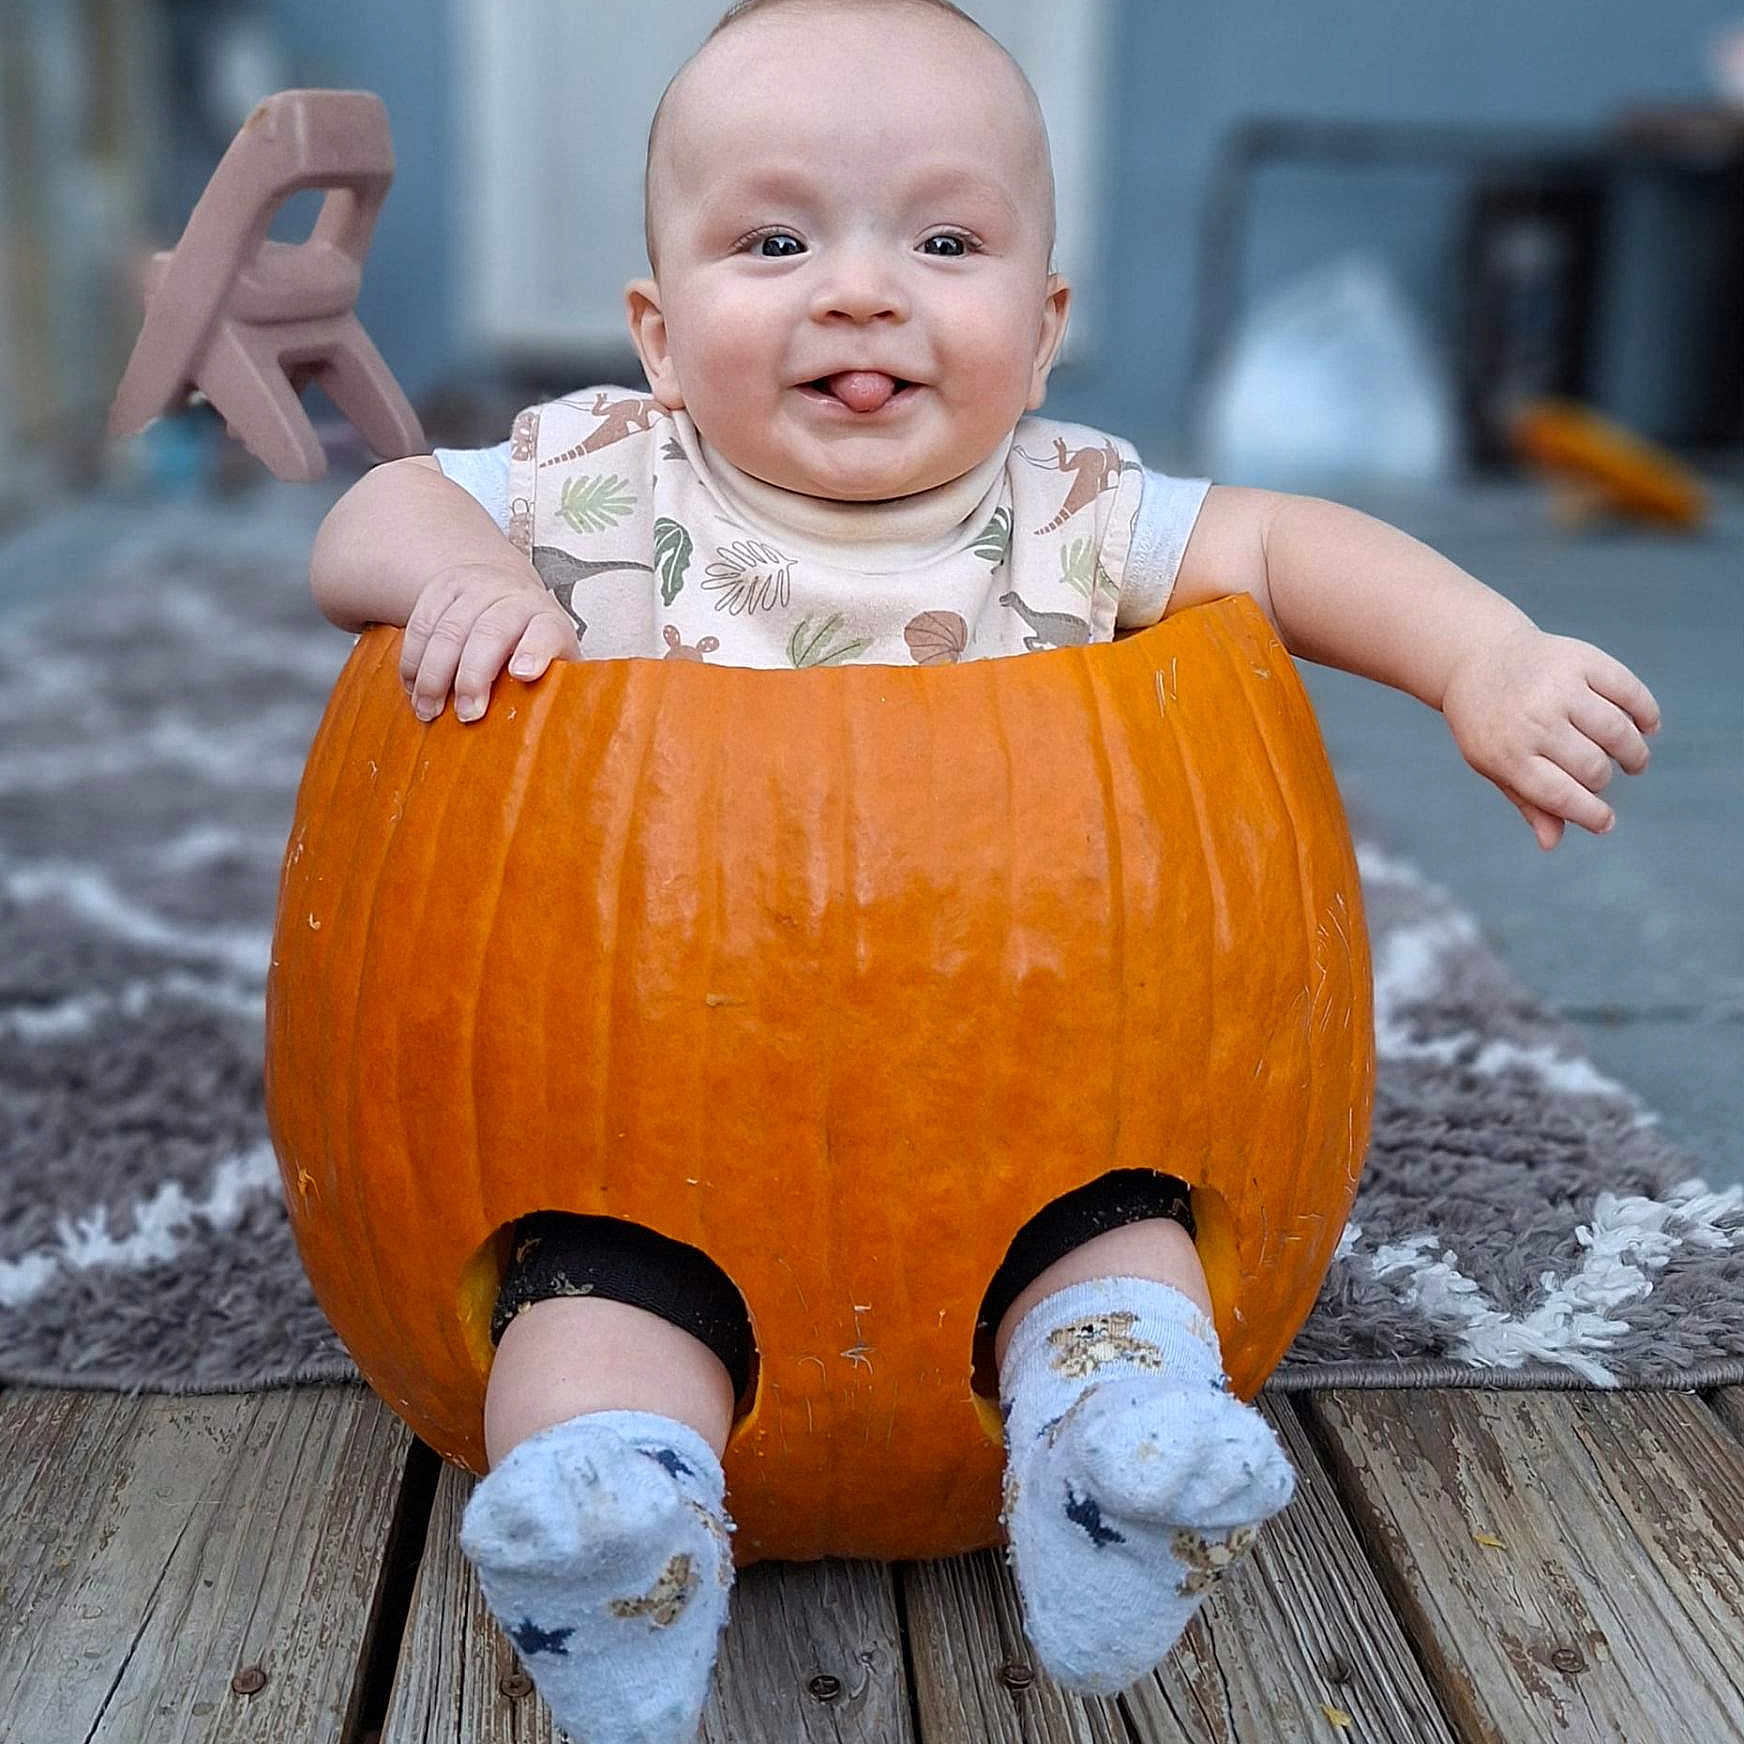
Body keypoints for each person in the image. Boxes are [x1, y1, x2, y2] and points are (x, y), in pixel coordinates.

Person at [306, 1, 1662, 1736]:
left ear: (1042, 330)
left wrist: (1483, 655)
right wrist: (461, 574)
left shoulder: (1071, 511)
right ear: (657, 333)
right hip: (641, 1107)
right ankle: (611, 1533)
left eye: (945, 244)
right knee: (589, 1303)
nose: (861, 293)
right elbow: (369, 512)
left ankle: (1117, 1457)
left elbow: (1286, 547)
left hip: (1029, 1099)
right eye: (776, 243)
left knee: (1118, 1246)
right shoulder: (590, 485)